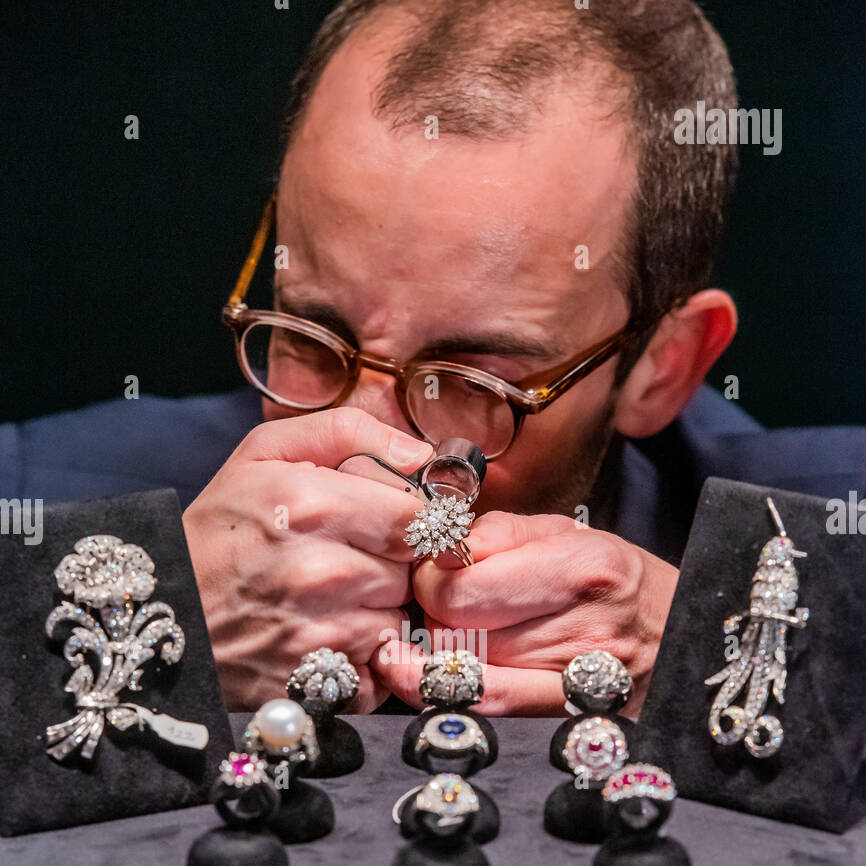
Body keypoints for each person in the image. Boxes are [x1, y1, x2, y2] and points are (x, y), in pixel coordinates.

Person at [5, 0, 863, 713]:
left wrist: (730, 659)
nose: (362, 448)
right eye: (314, 334)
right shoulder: (41, 493)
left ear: (662, 367)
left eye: (470, 380)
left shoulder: (828, 541)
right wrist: (141, 637)